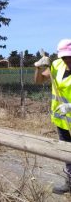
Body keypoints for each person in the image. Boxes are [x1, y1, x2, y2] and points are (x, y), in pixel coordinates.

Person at [34, 39, 71, 194]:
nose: (67, 60)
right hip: (62, 120)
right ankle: (69, 183)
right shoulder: (56, 65)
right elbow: (38, 81)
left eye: (69, 57)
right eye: (64, 57)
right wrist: (37, 67)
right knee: (67, 153)